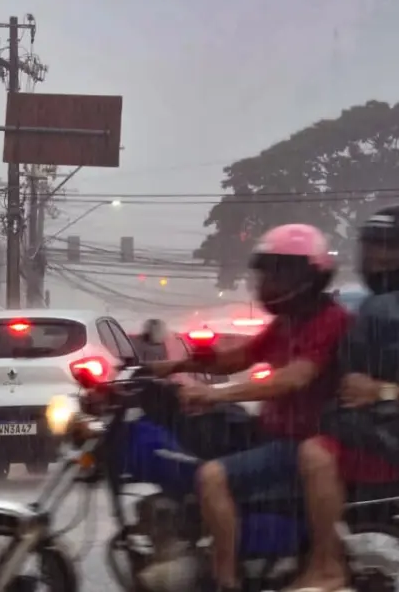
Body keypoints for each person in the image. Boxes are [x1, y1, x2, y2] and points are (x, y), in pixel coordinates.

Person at [146, 224, 351, 592]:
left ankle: (225, 580)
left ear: (306, 277)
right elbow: (239, 357)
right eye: (266, 272)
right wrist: (177, 365)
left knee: (212, 476)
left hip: (303, 440)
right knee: (199, 445)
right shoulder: (288, 322)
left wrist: (217, 395)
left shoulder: (329, 321)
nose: (268, 282)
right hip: (277, 433)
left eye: (278, 272)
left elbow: (294, 378)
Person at [303, 206, 399, 587]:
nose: (378, 258)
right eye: (372, 248)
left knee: (311, 453)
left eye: (390, 249)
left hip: (392, 434)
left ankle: (325, 566)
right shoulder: (381, 305)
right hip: (374, 427)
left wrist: (382, 391)